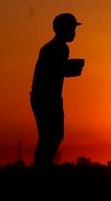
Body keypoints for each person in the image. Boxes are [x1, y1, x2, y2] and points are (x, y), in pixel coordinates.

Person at [30, 13, 85, 169]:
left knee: (52, 136)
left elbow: (55, 71)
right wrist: (70, 68)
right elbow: (51, 73)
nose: (74, 32)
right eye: (72, 28)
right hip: (46, 98)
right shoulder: (57, 49)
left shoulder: (57, 48)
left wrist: (69, 69)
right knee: (51, 136)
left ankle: (42, 167)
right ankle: (41, 169)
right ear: (63, 29)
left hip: (48, 97)